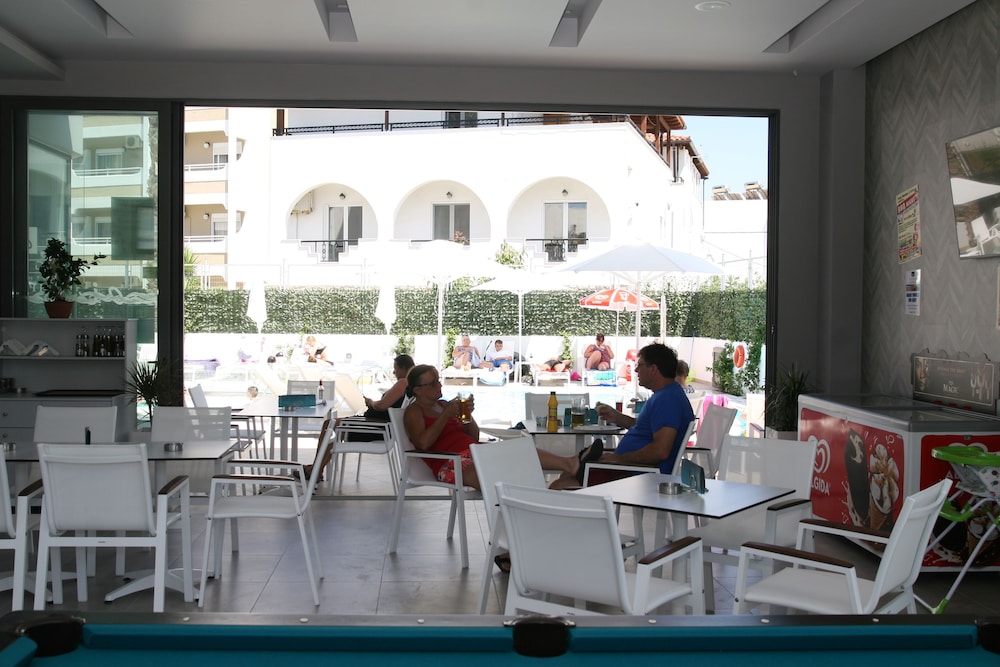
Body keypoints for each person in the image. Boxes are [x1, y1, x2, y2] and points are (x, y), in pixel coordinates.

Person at [402, 364, 604, 492]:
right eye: (433, 383)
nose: (439, 385)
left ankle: (570, 464)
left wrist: (468, 415)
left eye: (438, 380)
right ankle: (544, 496)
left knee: (520, 448)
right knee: (502, 478)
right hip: (451, 463)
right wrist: (446, 416)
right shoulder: (414, 411)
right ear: (418, 390)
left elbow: (474, 435)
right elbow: (423, 443)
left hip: (475, 451)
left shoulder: (444, 405)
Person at [550, 343, 694, 490]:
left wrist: (619, 458)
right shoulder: (667, 395)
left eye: (639, 365)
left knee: (560, 486)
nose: (636, 370)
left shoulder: (668, 400)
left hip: (636, 475)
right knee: (568, 472)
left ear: (653, 369)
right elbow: (645, 429)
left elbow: (660, 451)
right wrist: (617, 417)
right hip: (629, 469)